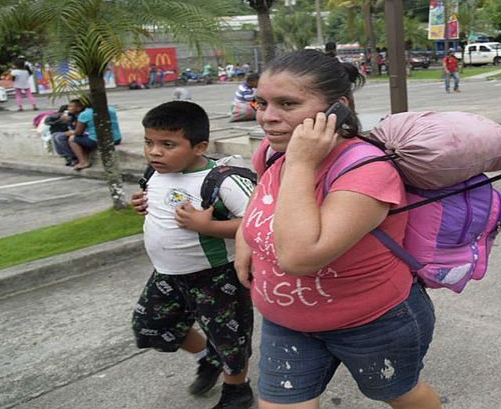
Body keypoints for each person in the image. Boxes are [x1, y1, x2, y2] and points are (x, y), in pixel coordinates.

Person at [235, 49, 442, 409]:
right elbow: (263, 195)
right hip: (285, 322)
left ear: (339, 106)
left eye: (287, 103)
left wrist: (300, 161)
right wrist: (244, 239)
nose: (268, 117)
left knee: (402, 396)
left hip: (373, 322)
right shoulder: (271, 152)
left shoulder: (366, 170)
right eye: (261, 102)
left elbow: (301, 257)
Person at [129, 101, 256, 409]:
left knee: (230, 338)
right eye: (149, 142)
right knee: (151, 324)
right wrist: (141, 204)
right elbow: (159, 207)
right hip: (167, 274)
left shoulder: (223, 180)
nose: (154, 152)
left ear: (199, 147)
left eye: (167, 144)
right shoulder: (155, 173)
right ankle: (208, 358)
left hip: (216, 277)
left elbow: (259, 222)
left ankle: (237, 390)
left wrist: (208, 225)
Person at [68, 104, 122, 171]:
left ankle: (83, 162)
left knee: (72, 139)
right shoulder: (111, 109)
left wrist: (71, 132)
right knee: (86, 137)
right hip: (116, 139)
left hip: (98, 140)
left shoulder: (85, 114)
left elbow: (78, 132)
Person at [51, 99, 86, 166]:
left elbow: (82, 129)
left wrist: (72, 132)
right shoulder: (72, 116)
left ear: (78, 108)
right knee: (54, 135)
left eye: (71, 107)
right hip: (74, 132)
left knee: (60, 137)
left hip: (81, 133)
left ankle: (73, 157)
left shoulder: (81, 116)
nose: (68, 108)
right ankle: (66, 156)